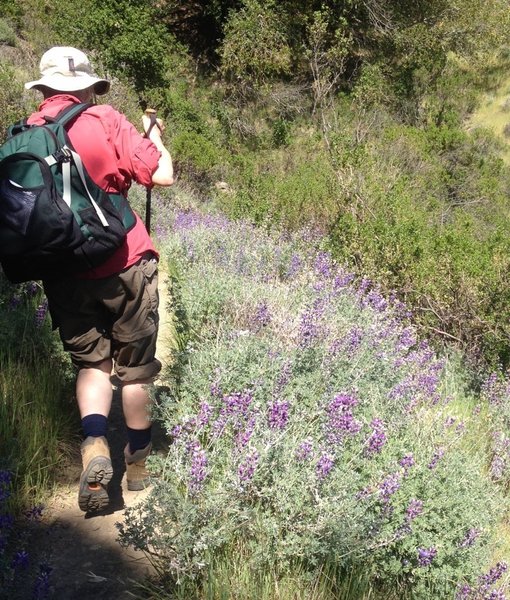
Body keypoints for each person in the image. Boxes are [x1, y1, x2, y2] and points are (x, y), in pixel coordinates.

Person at [24, 46, 175, 512]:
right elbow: (162, 175)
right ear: (87, 86)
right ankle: (137, 463)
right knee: (135, 371)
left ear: (45, 88)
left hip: (64, 269)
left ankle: (93, 445)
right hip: (124, 263)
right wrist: (154, 137)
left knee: (92, 366)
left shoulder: (29, 132)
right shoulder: (106, 119)